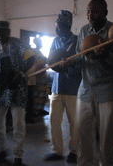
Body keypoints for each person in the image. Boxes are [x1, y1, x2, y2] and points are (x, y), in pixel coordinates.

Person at [75, 0, 113, 166]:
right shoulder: (84, 30)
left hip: (109, 90)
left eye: (95, 11)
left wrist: (106, 55)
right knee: (83, 133)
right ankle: (85, 163)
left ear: (106, 12)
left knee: (107, 136)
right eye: (88, 11)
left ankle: (106, 163)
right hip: (86, 90)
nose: (90, 14)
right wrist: (67, 62)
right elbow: (79, 57)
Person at [0, 21, 34, 166]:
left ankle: (18, 156)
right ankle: (1, 150)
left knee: (18, 124)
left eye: (1, 33)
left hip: (17, 89)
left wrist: (21, 72)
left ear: (8, 31)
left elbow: (31, 58)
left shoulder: (19, 44)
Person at [43, 10, 81, 163]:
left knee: (74, 123)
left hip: (73, 89)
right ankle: (57, 151)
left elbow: (82, 65)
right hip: (57, 88)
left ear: (67, 26)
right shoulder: (55, 41)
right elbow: (52, 62)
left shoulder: (78, 41)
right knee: (54, 120)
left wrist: (68, 67)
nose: (56, 29)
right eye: (55, 26)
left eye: (58, 27)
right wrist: (53, 64)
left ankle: (74, 151)